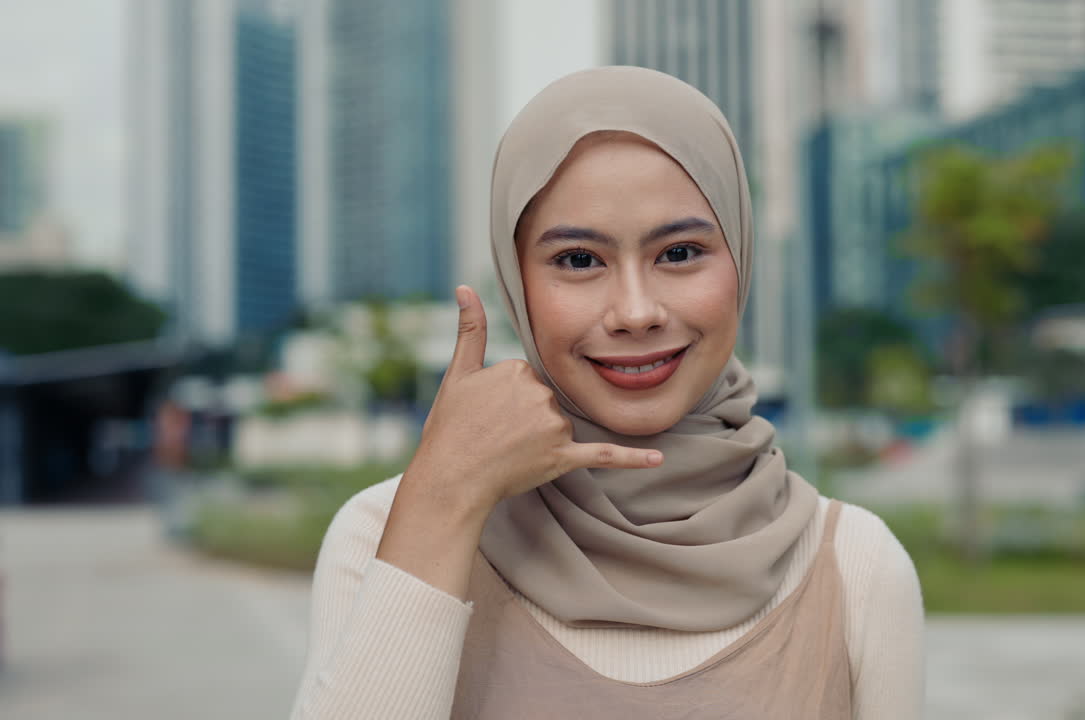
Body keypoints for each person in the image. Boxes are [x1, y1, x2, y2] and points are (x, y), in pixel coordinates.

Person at [290, 66, 924, 719]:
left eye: (678, 253)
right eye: (578, 260)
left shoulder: (855, 568)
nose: (635, 311)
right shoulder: (387, 533)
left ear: (740, 255)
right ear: (517, 284)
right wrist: (445, 498)